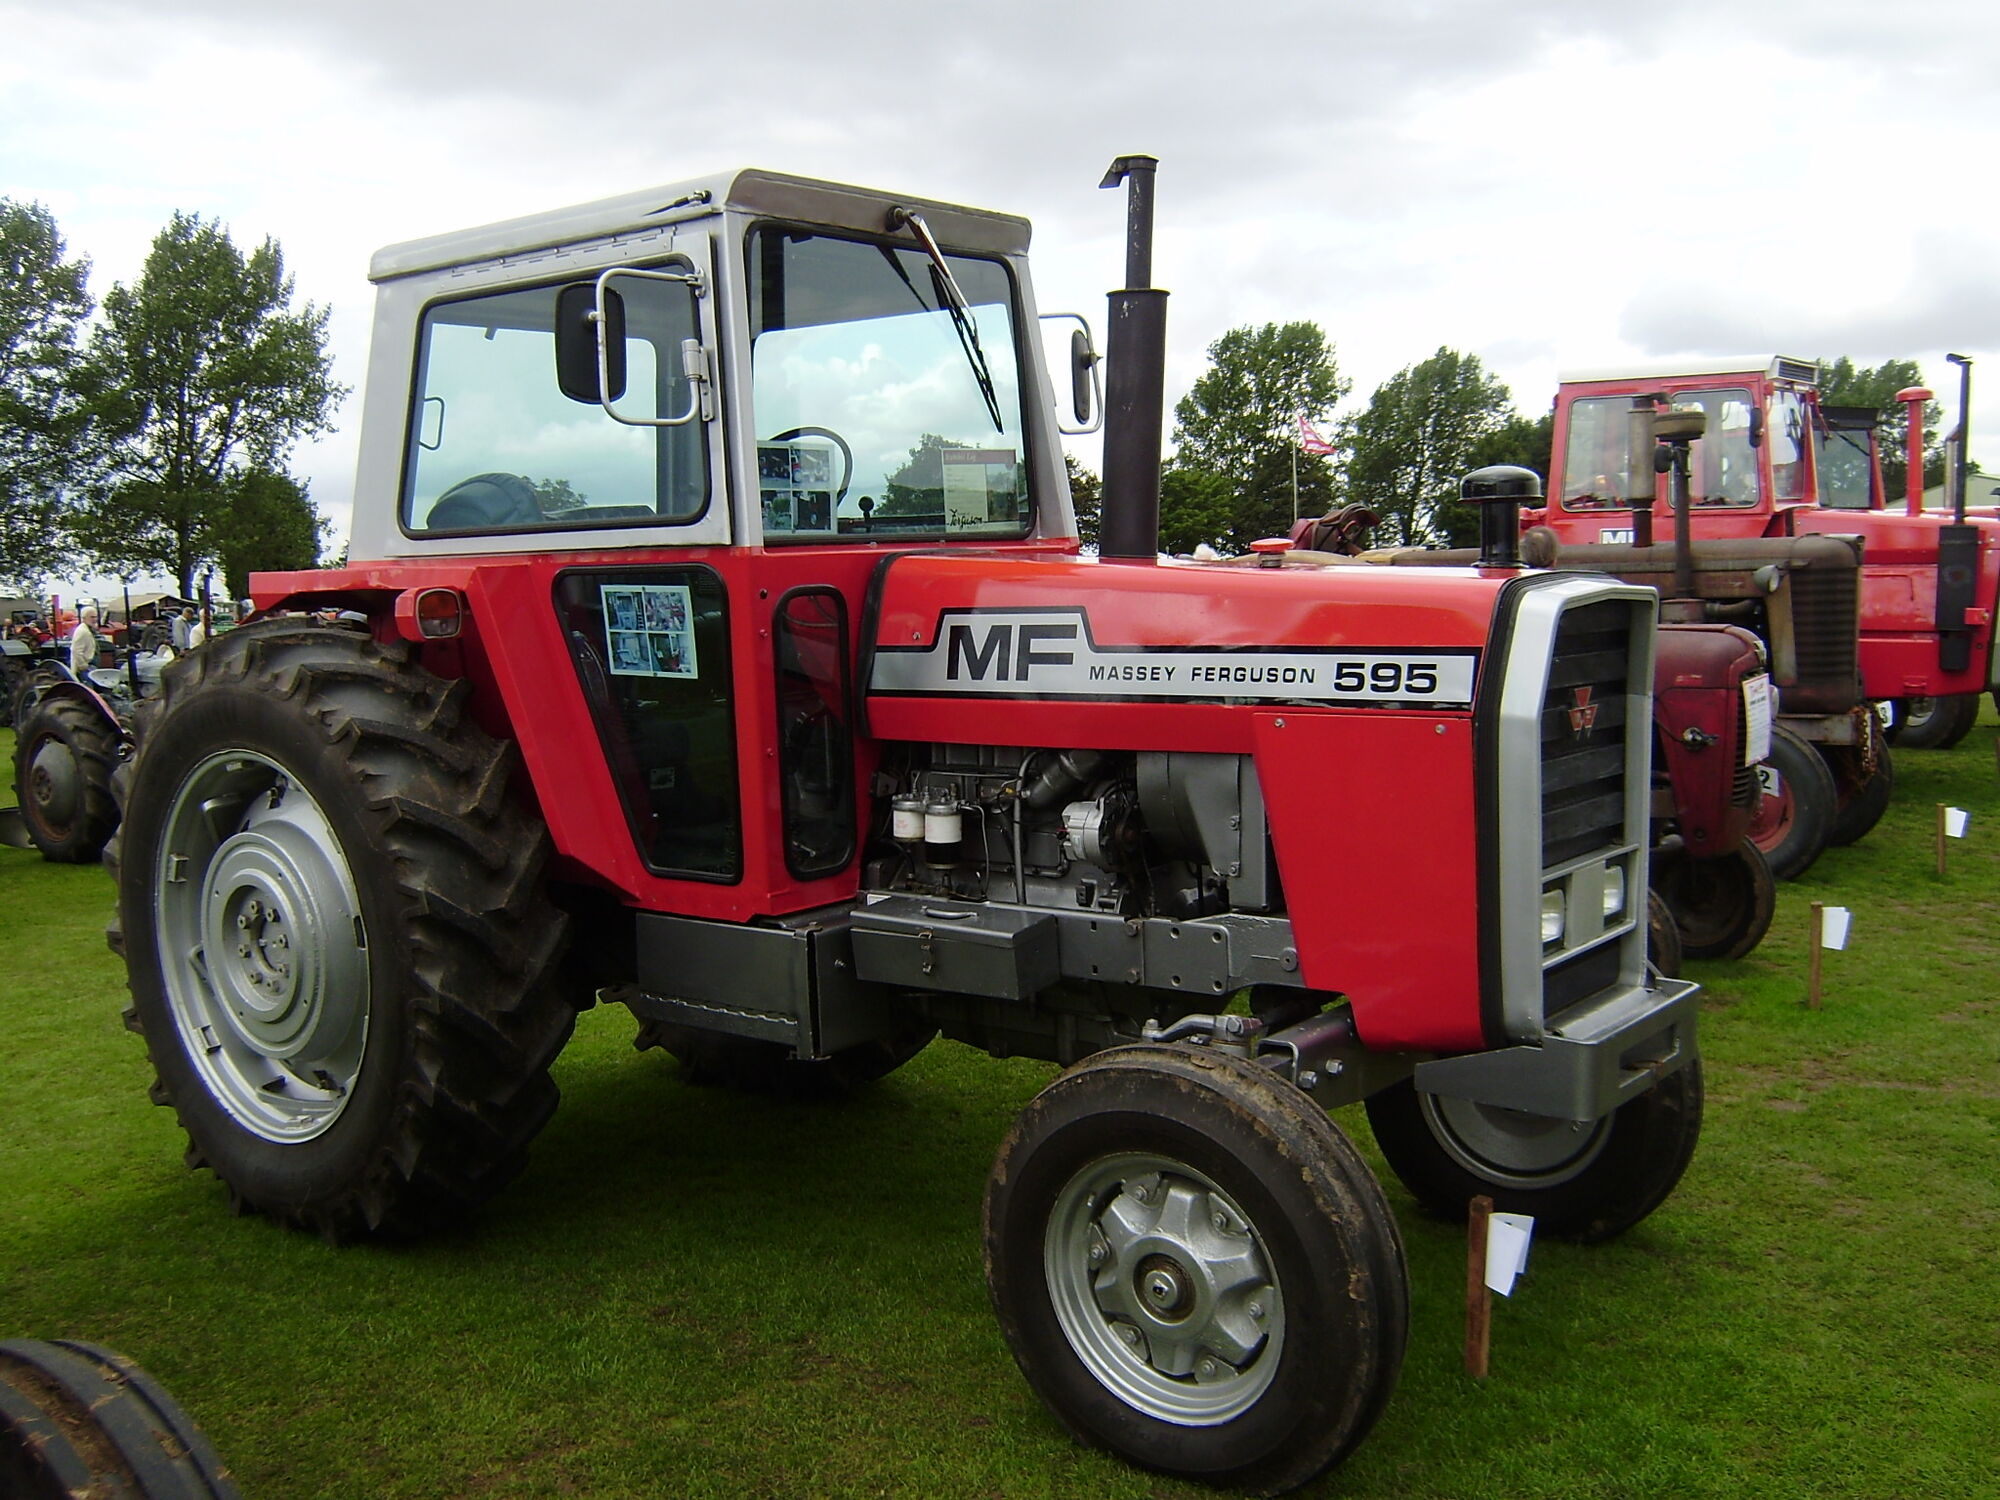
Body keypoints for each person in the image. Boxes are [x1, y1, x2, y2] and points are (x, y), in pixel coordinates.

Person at [69, 605, 100, 675]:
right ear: (84, 618)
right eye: (92, 617)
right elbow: (76, 650)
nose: (95, 619)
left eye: (96, 617)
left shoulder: (87, 629)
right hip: (85, 667)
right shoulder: (82, 631)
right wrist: (83, 665)